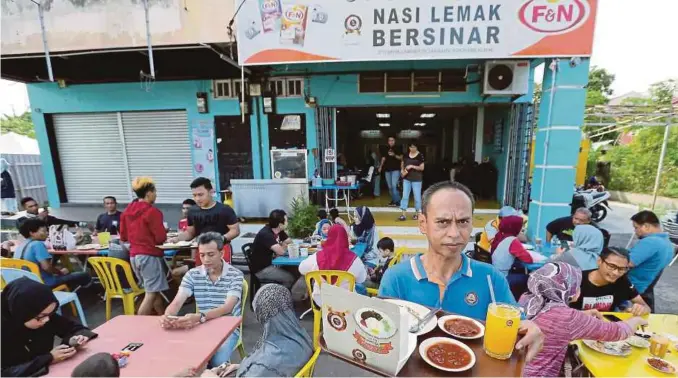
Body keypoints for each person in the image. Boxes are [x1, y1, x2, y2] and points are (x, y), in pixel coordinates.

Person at [379, 181, 544, 361]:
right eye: (443, 222)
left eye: (463, 221)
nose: (454, 233)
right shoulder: (396, 278)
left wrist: (529, 329)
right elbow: (384, 340)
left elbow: (516, 323)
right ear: (423, 223)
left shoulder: (490, 277)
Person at [519, 262, 647, 377]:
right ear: (566, 286)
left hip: (514, 370)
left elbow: (551, 320)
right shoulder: (566, 318)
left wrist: (581, 315)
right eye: (577, 285)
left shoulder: (527, 299)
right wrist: (636, 320)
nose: (579, 289)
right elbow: (615, 331)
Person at [162, 232, 244, 367]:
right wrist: (168, 316)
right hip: (201, 326)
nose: (206, 259)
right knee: (179, 358)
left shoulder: (235, 275)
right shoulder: (193, 274)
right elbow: (177, 301)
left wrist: (200, 317)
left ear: (221, 254)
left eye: (211, 254)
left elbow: (228, 307)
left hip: (228, 328)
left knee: (217, 361)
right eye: (202, 255)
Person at [1, 278, 98, 377]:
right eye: (41, 317)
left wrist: (73, 341)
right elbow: (5, 373)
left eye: (51, 313)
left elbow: (74, 328)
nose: (47, 320)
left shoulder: (43, 315)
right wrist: (48, 358)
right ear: (22, 313)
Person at [236, 284, 314, 377]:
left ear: (262, 316)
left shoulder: (267, 360)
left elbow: (263, 369)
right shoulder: (301, 337)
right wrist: (241, 366)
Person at [120, 177, 168, 316]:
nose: (156, 195)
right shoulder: (153, 212)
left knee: (153, 289)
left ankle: (163, 317)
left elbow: (123, 237)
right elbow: (160, 238)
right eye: (155, 191)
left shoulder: (127, 212)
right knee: (151, 293)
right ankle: (139, 324)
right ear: (148, 193)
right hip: (150, 255)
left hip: (134, 256)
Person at [173, 177, 240, 265]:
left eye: (200, 195)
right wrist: (177, 238)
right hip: (202, 250)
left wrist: (221, 238)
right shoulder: (192, 211)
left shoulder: (225, 210)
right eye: (194, 195)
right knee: (202, 276)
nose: (197, 199)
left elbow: (235, 230)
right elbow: (190, 233)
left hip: (221, 249)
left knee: (221, 276)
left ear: (211, 192)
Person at [570, 247, 651, 316]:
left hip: (606, 327)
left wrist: (641, 309)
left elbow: (646, 307)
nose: (616, 273)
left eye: (622, 269)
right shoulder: (576, 279)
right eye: (611, 266)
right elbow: (558, 311)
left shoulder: (622, 281)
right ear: (599, 261)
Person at [14, 218, 91, 289]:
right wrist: (60, 272)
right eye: (44, 231)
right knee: (84, 275)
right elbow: (46, 267)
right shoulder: (37, 244)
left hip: (25, 283)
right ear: (32, 233)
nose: (47, 233)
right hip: (43, 283)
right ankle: (91, 296)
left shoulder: (21, 245)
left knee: (68, 274)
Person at [299, 225, 367, 305]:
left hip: (321, 300)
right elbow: (362, 279)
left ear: (329, 237)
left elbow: (301, 269)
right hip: (346, 301)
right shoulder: (354, 259)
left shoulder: (317, 256)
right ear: (345, 238)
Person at [627, 210, 674, 309]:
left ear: (646, 226)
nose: (635, 231)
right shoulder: (667, 243)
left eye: (636, 227)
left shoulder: (651, 242)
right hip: (647, 286)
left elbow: (628, 263)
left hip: (633, 287)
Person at [490, 215, 546, 296]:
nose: (521, 229)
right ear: (514, 227)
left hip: (495, 274)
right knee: (531, 278)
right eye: (520, 227)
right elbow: (528, 259)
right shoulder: (512, 240)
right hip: (504, 277)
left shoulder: (500, 235)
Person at [249, 210, 295, 289]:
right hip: (262, 269)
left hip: (271, 263)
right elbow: (281, 252)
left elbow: (290, 242)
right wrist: (284, 245)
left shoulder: (279, 231)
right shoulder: (266, 234)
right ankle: (280, 298)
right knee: (289, 278)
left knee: (294, 270)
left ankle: (291, 295)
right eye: (286, 221)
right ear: (280, 224)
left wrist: (284, 244)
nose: (288, 223)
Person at [398, 143, 425, 221]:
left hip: (417, 179)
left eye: (414, 147)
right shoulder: (406, 155)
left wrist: (412, 166)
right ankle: (403, 214)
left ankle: (417, 214)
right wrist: (402, 170)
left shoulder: (420, 155)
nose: (412, 148)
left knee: (417, 197)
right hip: (406, 178)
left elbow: (422, 168)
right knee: (405, 196)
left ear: (416, 147)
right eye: (411, 147)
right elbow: (402, 163)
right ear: (409, 147)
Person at [379, 136, 402, 207]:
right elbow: (383, 158)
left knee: (394, 186)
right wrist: (380, 166)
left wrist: (394, 155)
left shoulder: (398, 148)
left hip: (396, 170)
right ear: (388, 142)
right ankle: (394, 200)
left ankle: (398, 201)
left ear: (395, 141)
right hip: (387, 170)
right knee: (390, 187)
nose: (391, 142)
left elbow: (401, 158)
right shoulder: (385, 148)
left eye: (392, 140)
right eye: (389, 140)